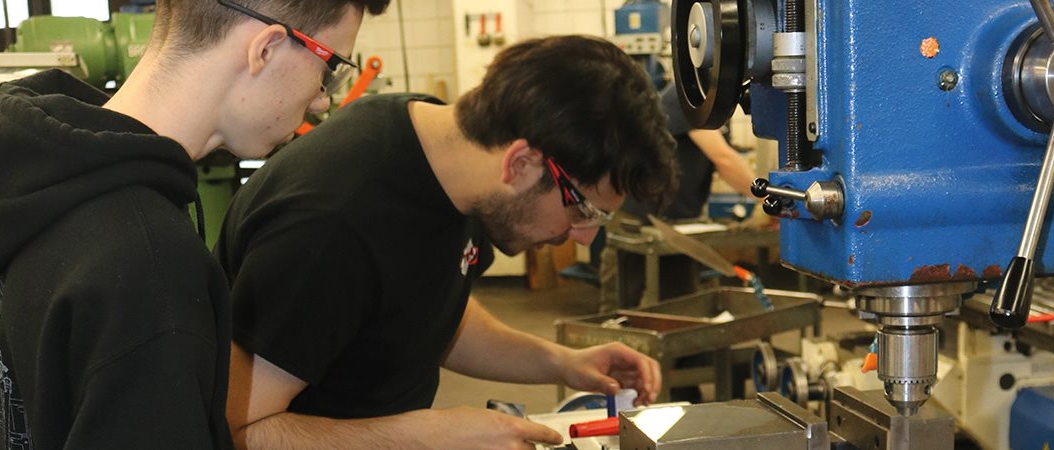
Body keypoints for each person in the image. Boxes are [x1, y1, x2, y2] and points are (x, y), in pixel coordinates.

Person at [0, 0, 385, 447]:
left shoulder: (27, 175)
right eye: (328, 65)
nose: (322, 98)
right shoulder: (150, 265)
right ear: (266, 48)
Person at [216, 35, 677, 449]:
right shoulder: (328, 228)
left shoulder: (449, 160)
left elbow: (425, 307)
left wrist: (562, 363)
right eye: (583, 210)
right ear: (521, 163)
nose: (584, 237)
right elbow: (239, 430)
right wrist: (422, 438)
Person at [598, 83, 760, 312]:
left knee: (680, 308)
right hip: (640, 219)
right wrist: (765, 197)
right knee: (620, 310)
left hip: (678, 222)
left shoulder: (714, 107)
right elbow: (724, 159)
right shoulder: (690, 96)